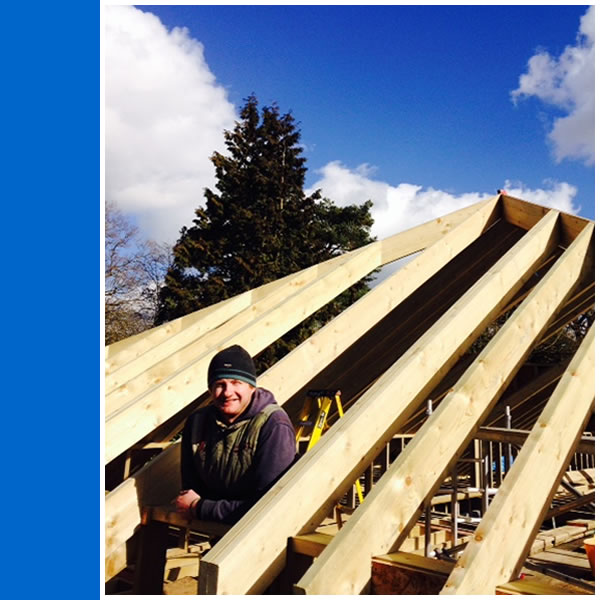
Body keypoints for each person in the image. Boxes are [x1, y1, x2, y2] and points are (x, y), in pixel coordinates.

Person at [174, 345, 297, 524]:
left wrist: (200, 508)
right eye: (219, 384)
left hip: (260, 532)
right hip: (215, 524)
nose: (227, 392)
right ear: (210, 390)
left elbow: (268, 505)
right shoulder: (197, 423)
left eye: (236, 383)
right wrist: (198, 506)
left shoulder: (273, 426)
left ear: (251, 387)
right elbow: (191, 491)